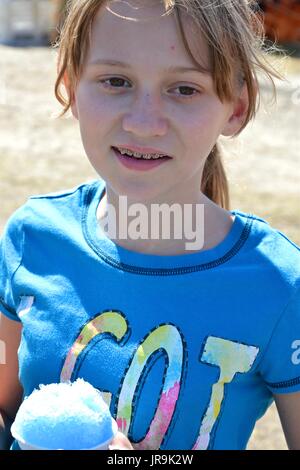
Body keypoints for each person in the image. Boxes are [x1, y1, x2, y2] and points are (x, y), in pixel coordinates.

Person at [1, 0, 300, 451]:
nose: (143, 124)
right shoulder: (32, 239)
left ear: (237, 107)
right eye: (115, 81)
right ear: (70, 88)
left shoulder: (281, 287)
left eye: (184, 89)